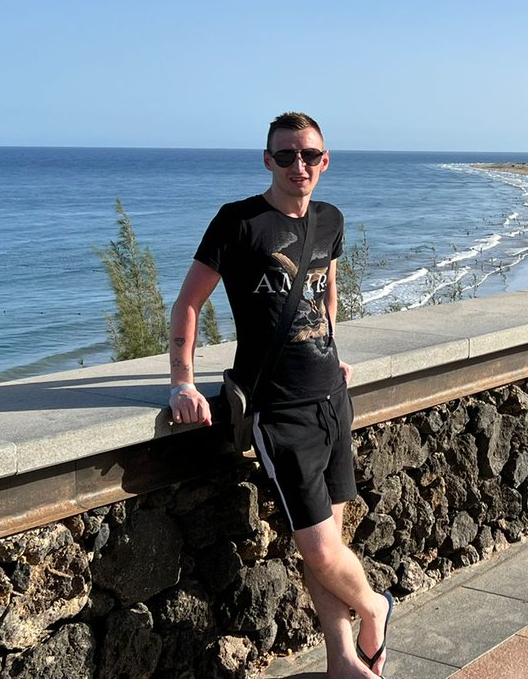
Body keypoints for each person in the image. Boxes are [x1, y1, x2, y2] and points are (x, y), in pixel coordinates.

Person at [168, 111, 392, 679]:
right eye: (287, 155)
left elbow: (326, 289)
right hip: (280, 408)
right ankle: (375, 607)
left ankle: (342, 660)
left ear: (325, 161)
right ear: (267, 160)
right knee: (319, 548)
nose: (299, 165)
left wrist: (330, 346)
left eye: (310, 155)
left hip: (332, 399)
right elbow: (189, 303)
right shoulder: (239, 222)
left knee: (328, 542)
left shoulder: (330, 219)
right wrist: (182, 382)